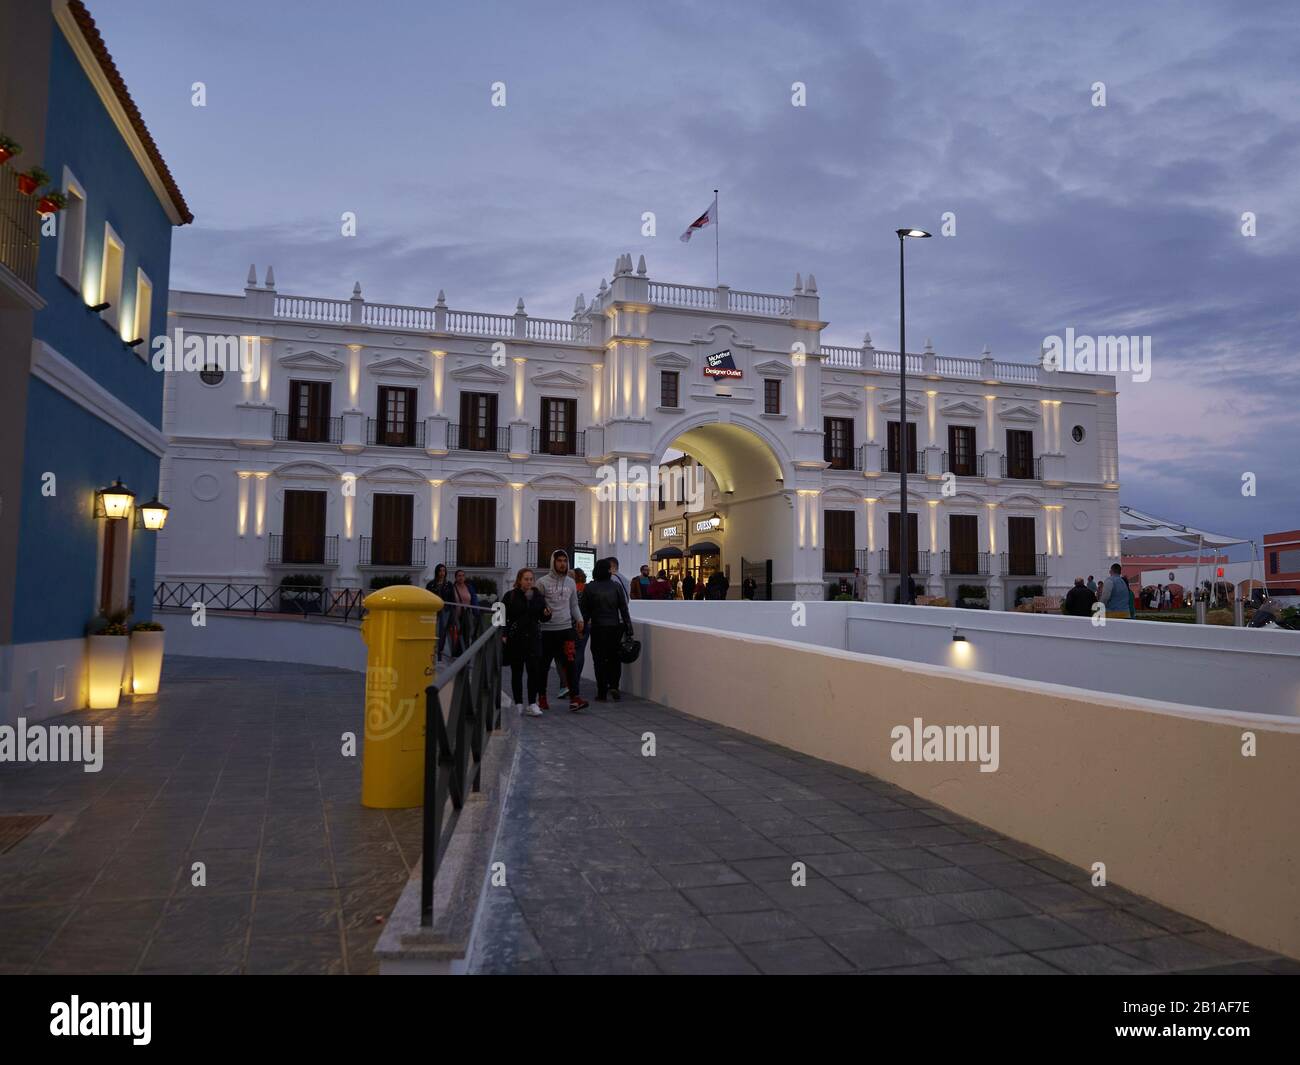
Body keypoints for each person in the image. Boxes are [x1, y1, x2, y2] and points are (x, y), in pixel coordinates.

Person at [536, 549, 588, 711]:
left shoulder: (571, 583)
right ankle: (542, 698)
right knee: (543, 666)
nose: (562, 564)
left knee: (570, 665)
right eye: (559, 561)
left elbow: (573, 605)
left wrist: (579, 619)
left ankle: (574, 698)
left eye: (565, 561)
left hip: (566, 630)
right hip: (546, 632)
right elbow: (537, 606)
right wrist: (542, 612)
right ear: (553, 562)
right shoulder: (542, 582)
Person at [580, 557, 634, 702]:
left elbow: (584, 611)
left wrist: (582, 626)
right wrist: (629, 629)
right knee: (614, 658)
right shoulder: (615, 587)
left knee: (599, 660)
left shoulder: (590, 588)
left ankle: (602, 692)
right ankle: (614, 686)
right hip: (614, 628)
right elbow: (624, 609)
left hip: (598, 628)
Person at [501, 568, 549, 717]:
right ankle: (518, 703)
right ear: (519, 580)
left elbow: (543, 617)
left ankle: (532, 703)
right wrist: (503, 634)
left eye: (531, 579)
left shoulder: (538, 597)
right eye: (526, 579)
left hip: (533, 638)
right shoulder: (511, 596)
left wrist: (547, 614)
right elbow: (500, 615)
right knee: (517, 672)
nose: (529, 582)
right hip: (516, 639)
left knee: (534, 671)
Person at [559, 568, 588, 699]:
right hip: (582, 625)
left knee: (566, 655)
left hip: (568, 625)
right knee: (579, 653)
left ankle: (566, 684)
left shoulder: (567, 590)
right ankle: (573, 682)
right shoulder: (585, 590)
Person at [447, 570, 478, 655]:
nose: (461, 577)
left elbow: (474, 600)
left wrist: (477, 613)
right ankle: (456, 653)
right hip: (455, 616)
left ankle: (465, 653)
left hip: (466, 615)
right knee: (456, 635)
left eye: (463, 576)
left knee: (466, 634)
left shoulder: (469, 587)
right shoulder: (452, 588)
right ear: (456, 577)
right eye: (459, 576)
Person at [427, 563, 454, 659]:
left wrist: (451, 612)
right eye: (440, 570)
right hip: (434, 611)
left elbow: (452, 599)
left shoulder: (449, 584)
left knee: (442, 631)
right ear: (437, 572)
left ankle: (439, 652)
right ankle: (433, 650)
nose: (442, 573)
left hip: (445, 610)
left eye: (444, 570)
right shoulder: (431, 584)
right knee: (435, 631)